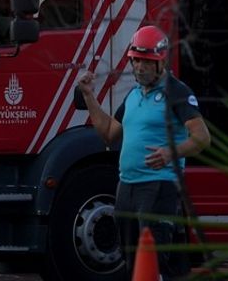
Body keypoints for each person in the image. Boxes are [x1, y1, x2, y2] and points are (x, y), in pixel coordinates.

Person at [76, 25, 212, 279]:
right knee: (132, 262)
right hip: (127, 187)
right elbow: (108, 133)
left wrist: (171, 152)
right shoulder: (133, 95)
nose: (139, 67)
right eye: (136, 60)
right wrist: (89, 96)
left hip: (159, 187)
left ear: (161, 62)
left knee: (156, 260)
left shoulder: (177, 92)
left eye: (146, 62)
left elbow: (202, 138)